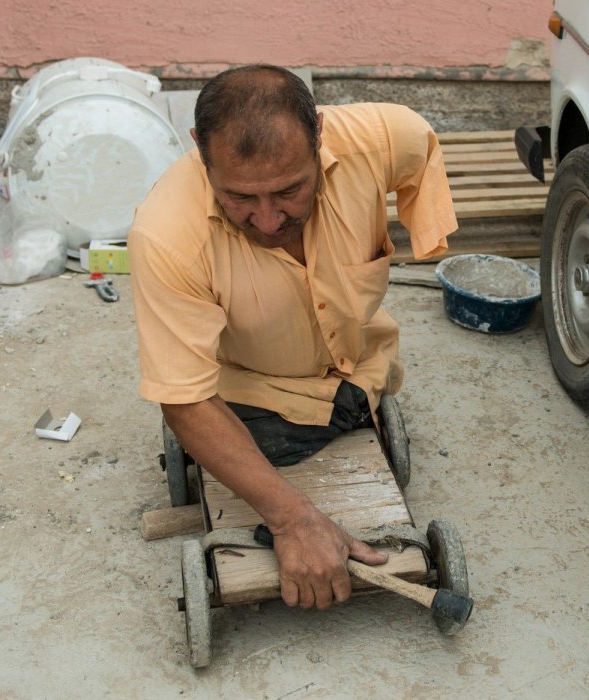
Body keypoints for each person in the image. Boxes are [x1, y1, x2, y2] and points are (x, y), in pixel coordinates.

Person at [129, 64, 457, 612]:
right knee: (241, 445)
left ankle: (339, 415)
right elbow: (184, 398)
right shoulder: (166, 235)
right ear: (199, 151)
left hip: (360, 368)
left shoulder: (383, 139)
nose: (267, 218)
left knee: (293, 440)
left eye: (289, 190)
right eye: (240, 198)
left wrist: (427, 230)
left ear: (319, 136)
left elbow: (421, 148)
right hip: (258, 392)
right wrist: (293, 520)